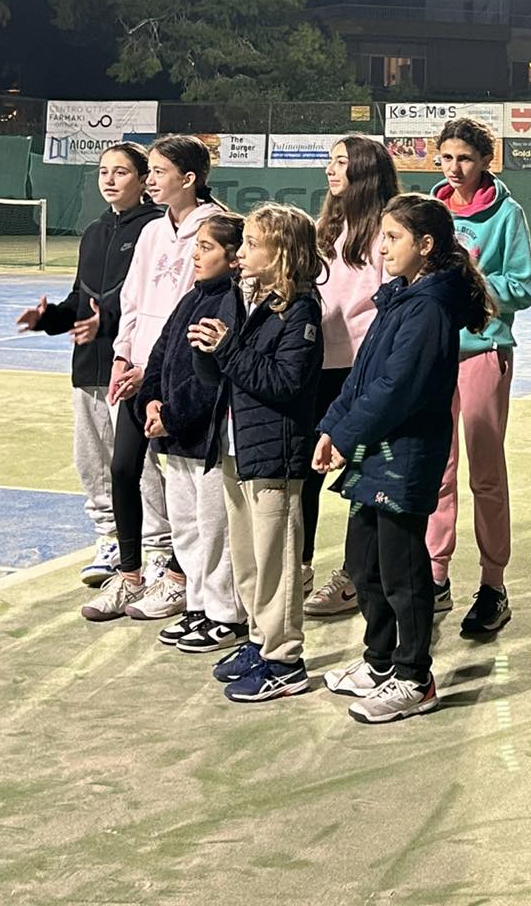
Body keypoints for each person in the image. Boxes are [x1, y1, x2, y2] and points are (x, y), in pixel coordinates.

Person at [316, 194, 495, 723]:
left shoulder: (429, 308)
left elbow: (397, 389)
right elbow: (364, 375)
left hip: (405, 456)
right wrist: (332, 427)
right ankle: (379, 661)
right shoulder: (400, 297)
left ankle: (415, 677)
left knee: (403, 572)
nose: (382, 248)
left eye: (393, 238)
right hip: (375, 451)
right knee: (363, 563)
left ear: (426, 245)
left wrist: (346, 437)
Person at [80, 134, 225, 623]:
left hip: (181, 376)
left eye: (160, 172)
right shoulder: (151, 232)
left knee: (185, 483)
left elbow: (194, 311)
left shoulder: (215, 227)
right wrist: (123, 357)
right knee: (124, 468)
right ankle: (130, 575)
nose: (152, 180)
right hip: (138, 371)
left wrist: (154, 370)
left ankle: (180, 581)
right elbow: (134, 301)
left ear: (189, 178)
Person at [190, 202, 323, 704]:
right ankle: (259, 640)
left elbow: (284, 383)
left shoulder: (301, 311)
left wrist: (227, 349)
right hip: (238, 447)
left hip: (274, 454)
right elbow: (229, 375)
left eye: (251, 244)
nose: (240, 253)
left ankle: (284, 659)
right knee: (246, 558)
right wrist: (207, 351)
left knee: (275, 563)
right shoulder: (251, 302)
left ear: (281, 253)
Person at [16, 142, 161, 587]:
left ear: (143, 180)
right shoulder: (95, 232)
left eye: (121, 171)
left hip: (131, 365)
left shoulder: (156, 230)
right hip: (88, 366)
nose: (109, 180)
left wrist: (107, 322)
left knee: (139, 466)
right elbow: (81, 298)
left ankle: (157, 547)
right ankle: (109, 540)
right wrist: (51, 319)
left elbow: (149, 299)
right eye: (103, 171)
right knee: (92, 461)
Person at [427, 117, 531, 638]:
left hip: (484, 353)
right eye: (447, 157)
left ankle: (493, 584)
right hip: (433, 355)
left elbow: (522, 288)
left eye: (465, 158)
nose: (455, 167)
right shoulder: (431, 212)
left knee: (485, 474)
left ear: (486, 161)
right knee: (437, 470)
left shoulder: (507, 215)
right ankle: (435, 576)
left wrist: (469, 282)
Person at [136, 213, 249, 654]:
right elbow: (161, 353)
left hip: (207, 441)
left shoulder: (232, 303)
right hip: (177, 437)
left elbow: (212, 380)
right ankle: (199, 605)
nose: (195, 255)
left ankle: (227, 615)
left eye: (207, 247)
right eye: (195, 246)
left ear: (234, 257)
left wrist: (174, 414)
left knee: (215, 529)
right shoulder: (191, 297)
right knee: (186, 527)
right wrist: (150, 401)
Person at [303, 136, 398, 619]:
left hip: (362, 371)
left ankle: (354, 577)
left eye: (341, 162)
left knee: (361, 477)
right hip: (317, 365)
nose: (330, 170)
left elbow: (390, 305)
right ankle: (299, 566)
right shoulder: (326, 227)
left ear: (364, 171)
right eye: (330, 161)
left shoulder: (385, 232)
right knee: (305, 471)